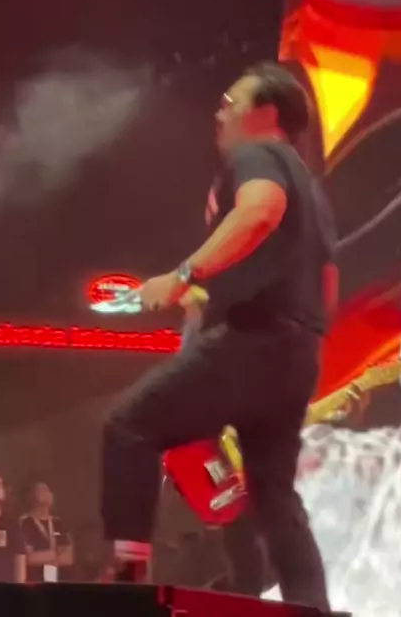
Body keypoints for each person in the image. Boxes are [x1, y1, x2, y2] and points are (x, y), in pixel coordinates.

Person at [102, 62, 336, 610]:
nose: (219, 112)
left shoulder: (258, 155)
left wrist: (184, 274)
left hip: (253, 344)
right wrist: (215, 299)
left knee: (129, 427)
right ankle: (312, 607)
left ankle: (125, 589)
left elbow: (259, 213)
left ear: (266, 114)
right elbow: (325, 279)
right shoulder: (313, 191)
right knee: (274, 494)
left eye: (231, 103)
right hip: (296, 352)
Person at [20, 481, 74, 582]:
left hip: (58, 580)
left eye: (48, 490)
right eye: (41, 490)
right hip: (34, 581)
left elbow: (68, 558)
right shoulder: (25, 522)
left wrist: (47, 557)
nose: (46, 494)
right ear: (31, 496)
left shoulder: (58, 523)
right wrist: (54, 555)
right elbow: (27, 557)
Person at [0, 470, 26, 583]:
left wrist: (19, 589)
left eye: (1, 484)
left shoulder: (12, 523)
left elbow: (20, 558)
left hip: (4, 587)